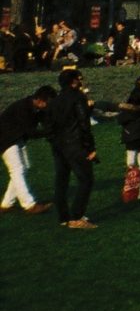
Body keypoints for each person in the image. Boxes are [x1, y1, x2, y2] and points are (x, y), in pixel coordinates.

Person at [48, 68, 98, 229]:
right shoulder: (78, 97)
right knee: (86, 180)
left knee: (61, 181)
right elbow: (84, 124)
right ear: (74, 81)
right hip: (75, 144)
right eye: (80, 78)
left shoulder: (55, 100)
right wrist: (90, 147)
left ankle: (63, 217)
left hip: (58, 145)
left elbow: (48, 126)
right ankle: (76, 216)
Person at [1, 85, 55, 214]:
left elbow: (46, 121)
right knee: (17, 169)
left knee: (23, 168)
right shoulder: (23, 108)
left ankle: (6, 204)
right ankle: (29, 205)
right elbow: (30, 132)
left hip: (16, 138)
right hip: (4, 140)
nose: (48, 106)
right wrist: (48, 132)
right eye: (48, 103)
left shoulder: (36, 108)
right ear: (40, 100)